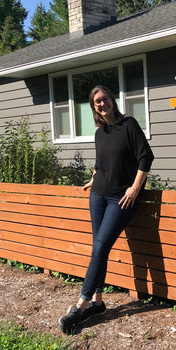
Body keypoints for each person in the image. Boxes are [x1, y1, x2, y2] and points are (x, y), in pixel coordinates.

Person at [59, 85, 154, 334]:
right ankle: (98, 302)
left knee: (100, 247)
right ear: (94, 108)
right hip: (98, 195)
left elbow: (146, 157)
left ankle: (80, 305)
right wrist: (94, 178)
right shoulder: (100, 133)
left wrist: (134, 189)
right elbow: (100, 164)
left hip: (120, 199)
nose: (102, 104)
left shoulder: (129, 125)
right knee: (98, 247)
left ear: (112, 100)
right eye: (96, 102)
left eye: (105, 99)